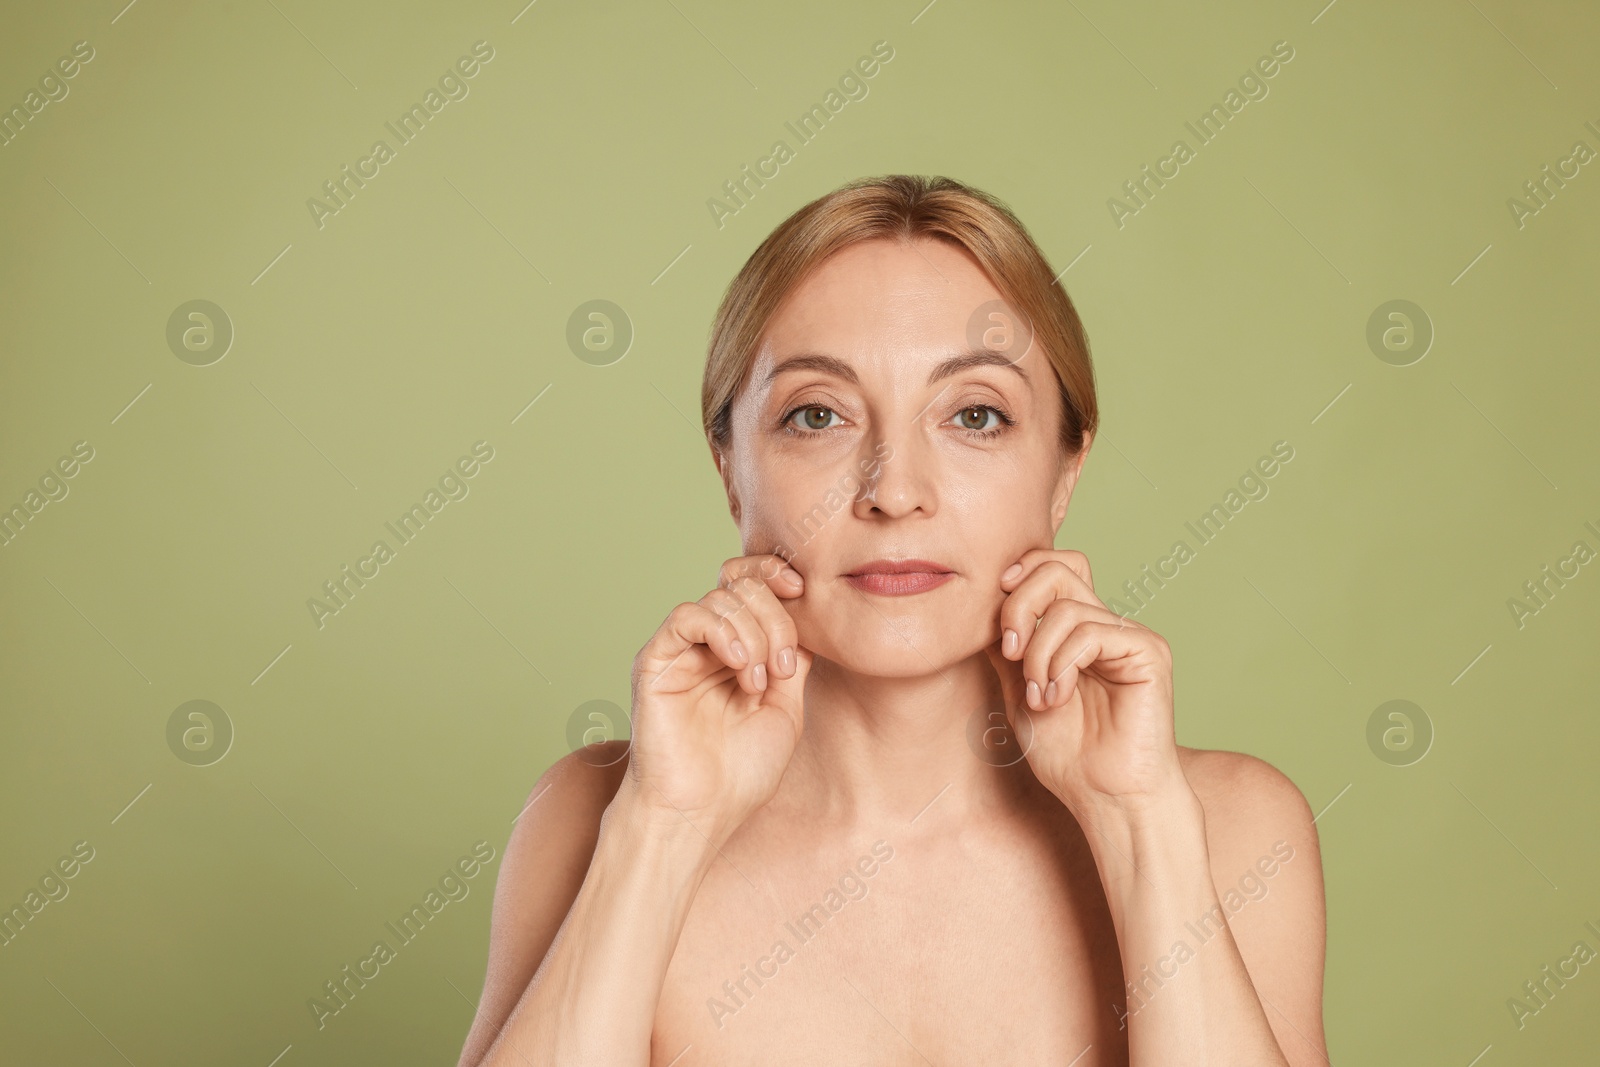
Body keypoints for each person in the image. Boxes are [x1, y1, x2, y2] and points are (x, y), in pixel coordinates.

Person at [456, 174, 1328, 1066]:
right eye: (817, 415)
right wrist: (662, 829)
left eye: (976, 416)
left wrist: (1139, 823)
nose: (895, 491)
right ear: (730, 468)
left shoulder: (1231, 828)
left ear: (1066, 470)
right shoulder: (591, 816)